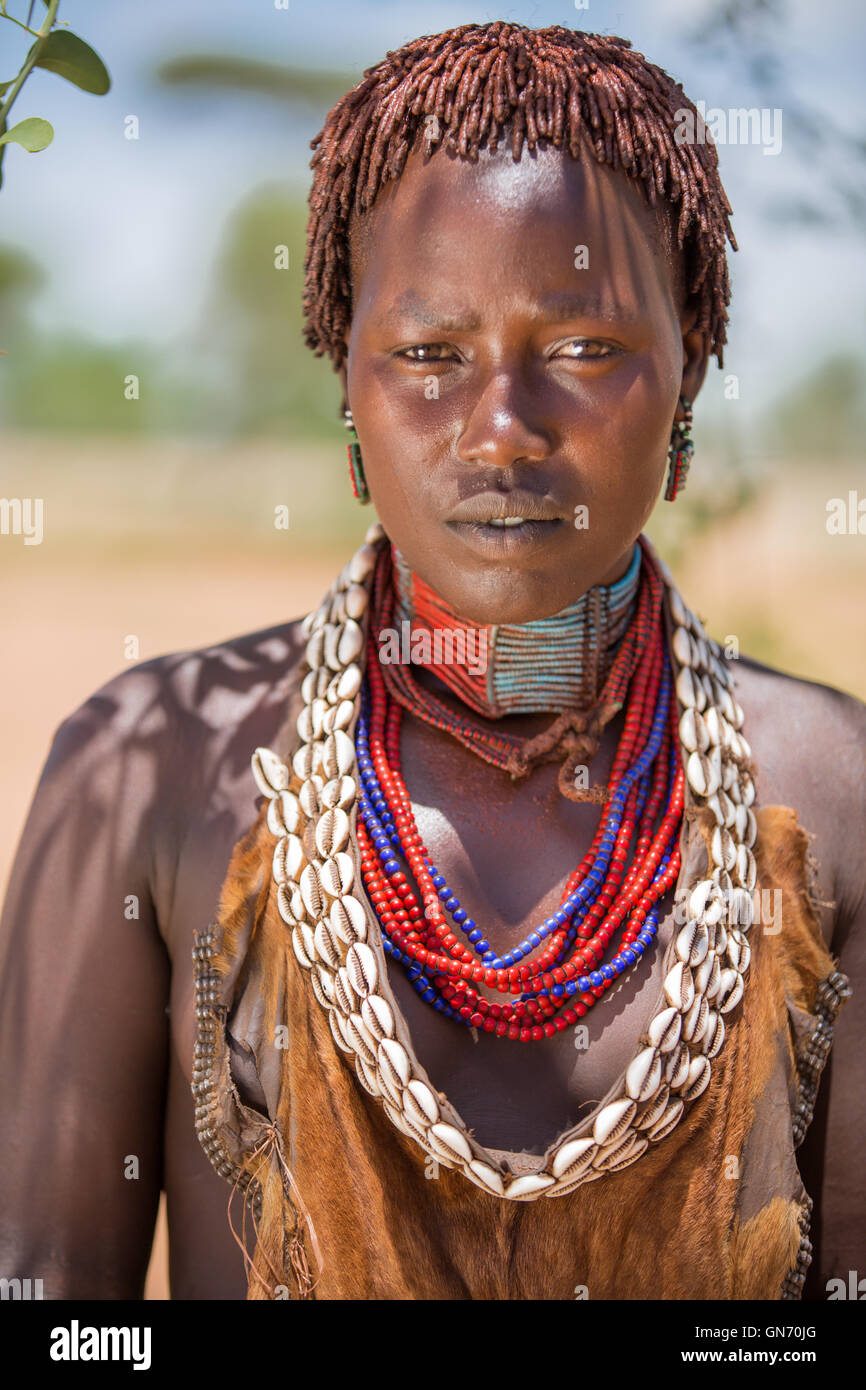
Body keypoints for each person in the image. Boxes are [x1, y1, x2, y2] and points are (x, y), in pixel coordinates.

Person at [1, 20, 863, 1302]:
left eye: (583, 349)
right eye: (426, 356)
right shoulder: (149, 776)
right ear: (344, 381)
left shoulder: (832, 791)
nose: (501, 430)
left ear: (688, 378)